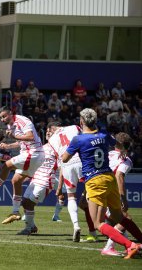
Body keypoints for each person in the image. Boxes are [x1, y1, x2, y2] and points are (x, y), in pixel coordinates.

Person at [61, 108, 141, 259]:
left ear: (81, 121)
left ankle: (131, 246)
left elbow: (64, 158)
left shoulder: (78, 139)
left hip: (95, 181)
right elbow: (117, 143)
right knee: (120, 218)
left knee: (98, 223)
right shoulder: (103, 134)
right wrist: (123, 148)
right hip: (109, 178)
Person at [0, 106, 45, 225]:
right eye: (0, 117)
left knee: (6, 165)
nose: (2, 119)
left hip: (33, 153)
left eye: (4, 116)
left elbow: (30, 137)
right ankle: (16, 212)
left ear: (11, 113)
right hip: (31, 155)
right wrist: (9, 146)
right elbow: (21, 141)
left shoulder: (23, 121)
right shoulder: (10, 126)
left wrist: (13, 136)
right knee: (16, 181)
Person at [48, 123, 85, 242]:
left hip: (67, 165)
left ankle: (76, 225)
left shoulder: (52, 140)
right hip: (80, 161)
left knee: (71, 197)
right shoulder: (74, 127)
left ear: (53, 128)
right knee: (92, 190)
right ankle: (104, 221)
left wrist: (59, 187)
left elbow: (60, 162)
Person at [17, 139, 57, 235]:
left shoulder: (58, 149)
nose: (48, 133)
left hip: (46, 179)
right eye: (47, 131)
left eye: (50, 131)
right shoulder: (42, 148)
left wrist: (59, 184)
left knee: (30, 203)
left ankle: (28, 228)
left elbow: (61, 166)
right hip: (36, 178)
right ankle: (32, 226)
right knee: (25, 202)